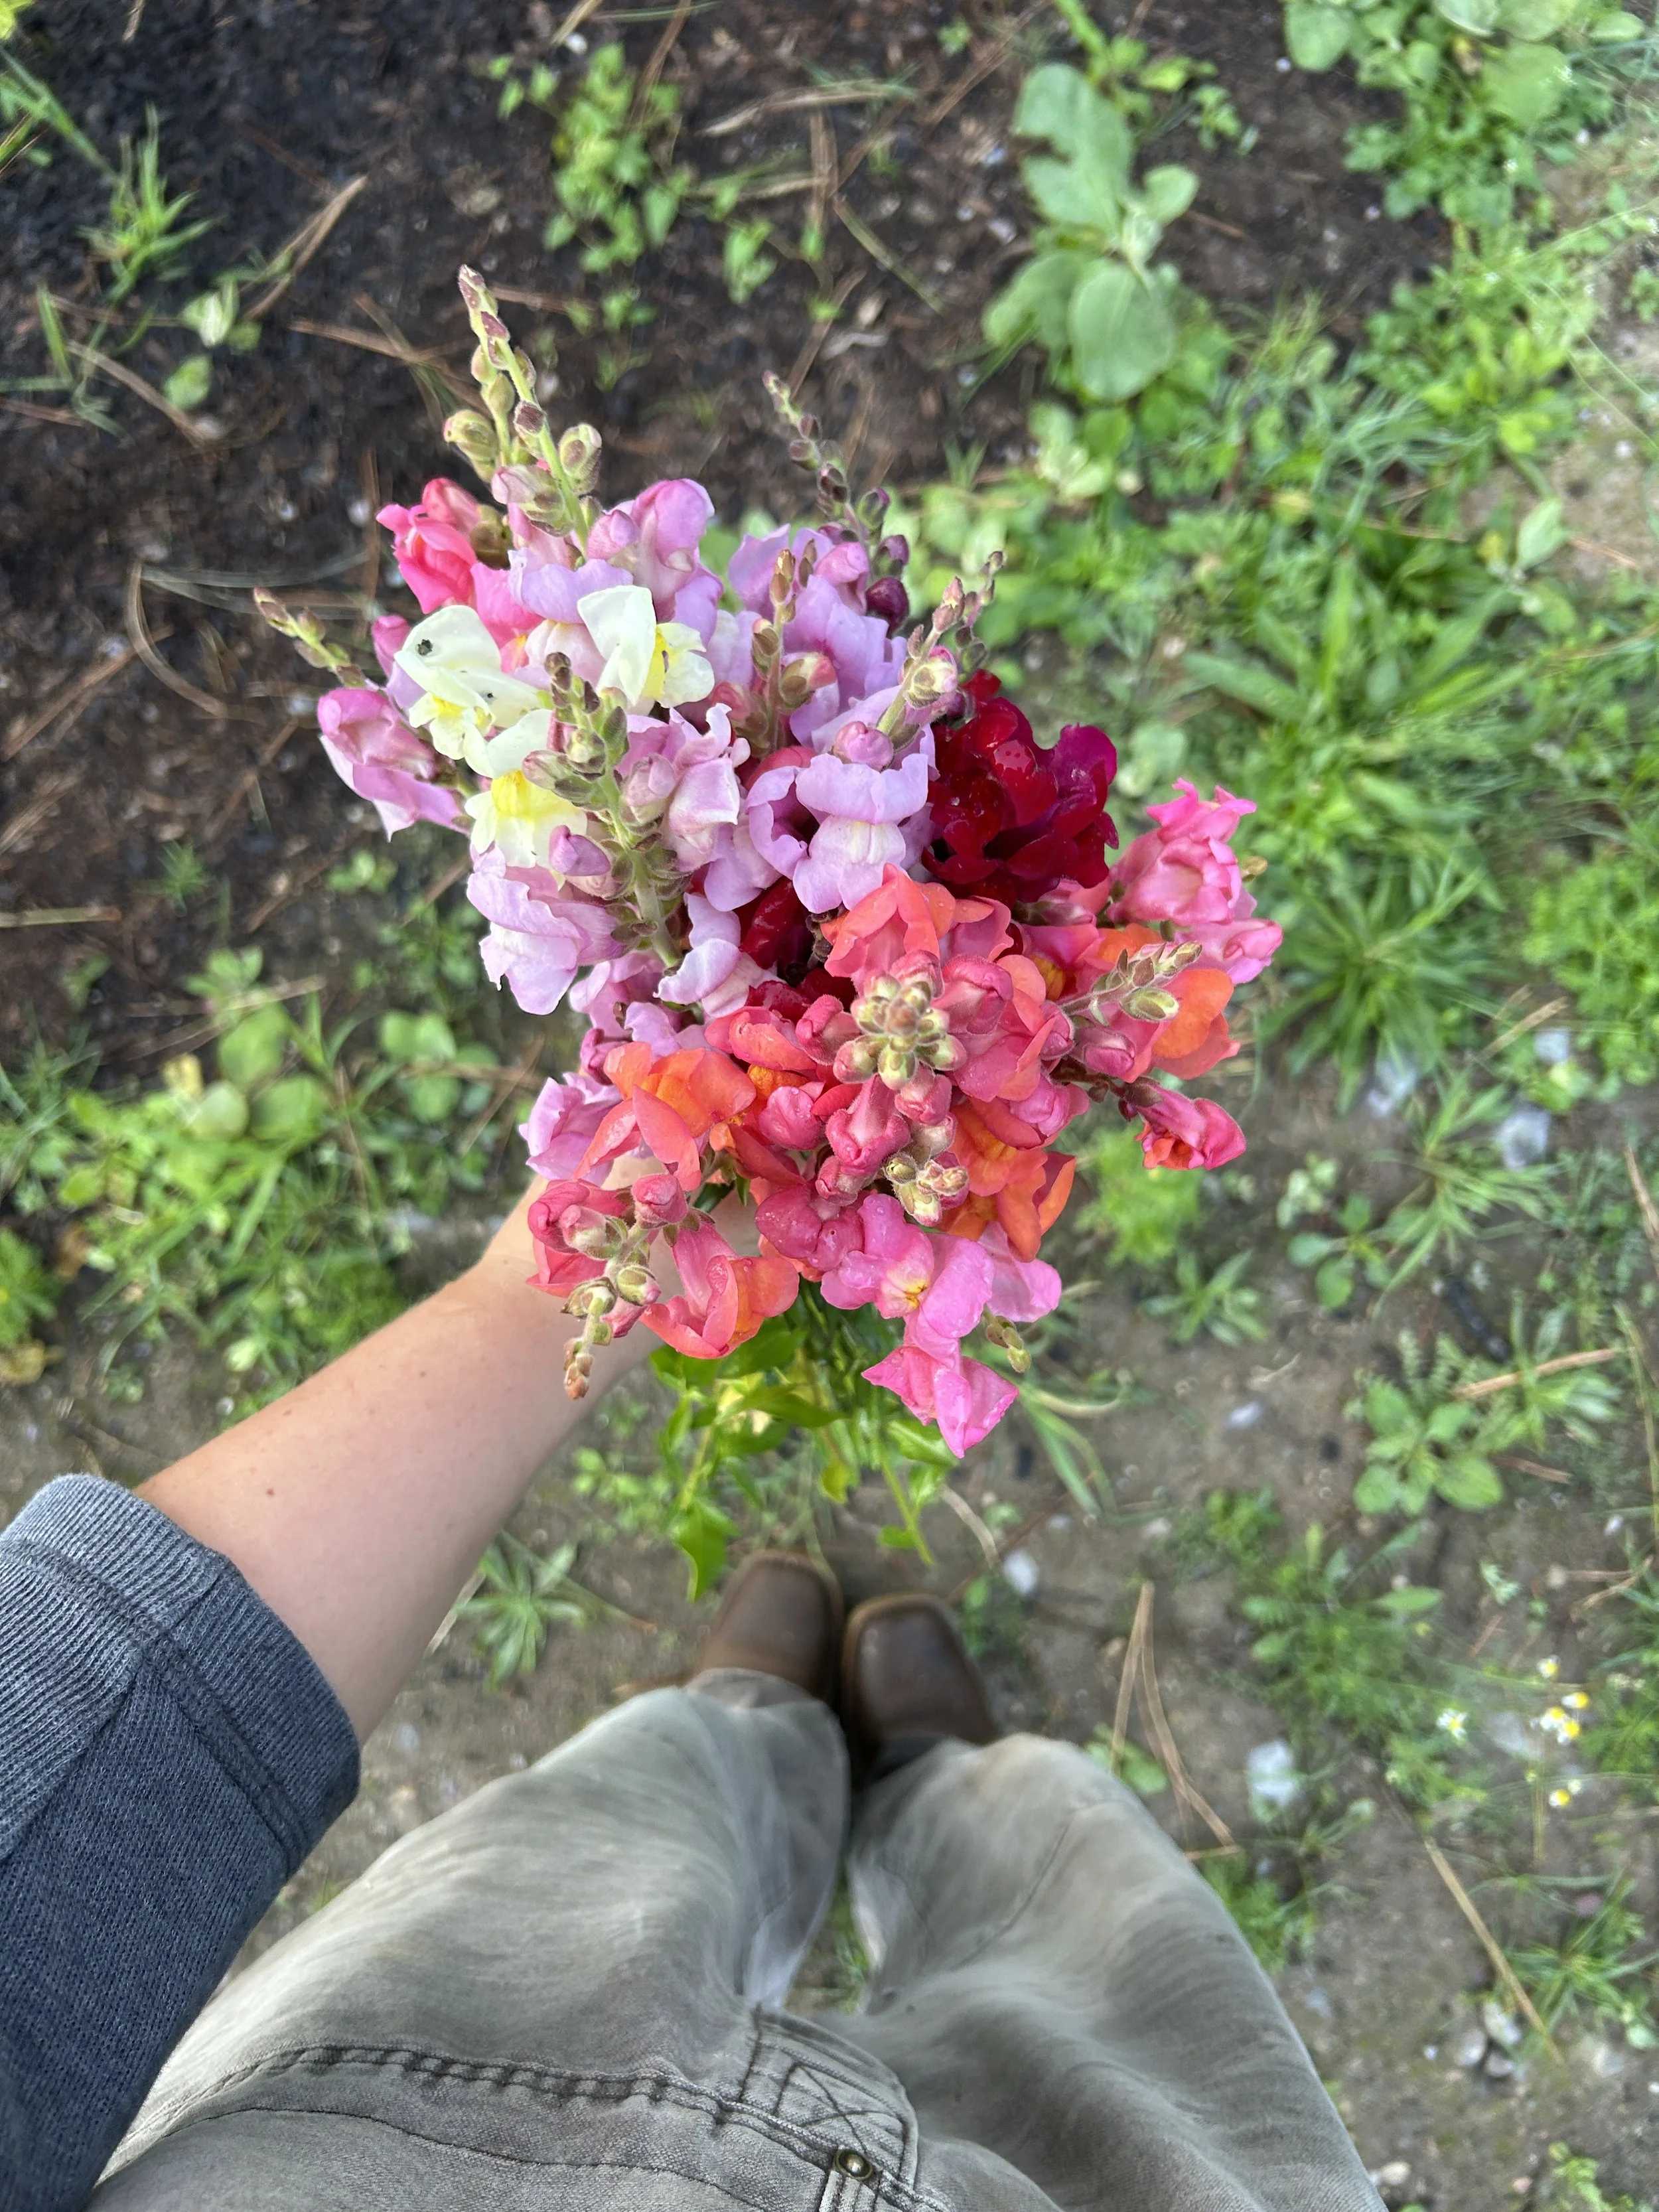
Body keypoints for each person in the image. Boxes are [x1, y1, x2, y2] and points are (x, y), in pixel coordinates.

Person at [0, 1191, 1385, 2212]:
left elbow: (68, 1789)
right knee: (1098, 1971)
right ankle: (944, 1785)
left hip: (371, 2104)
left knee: (598, 1843)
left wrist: (579, 1265)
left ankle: (748, 1725)